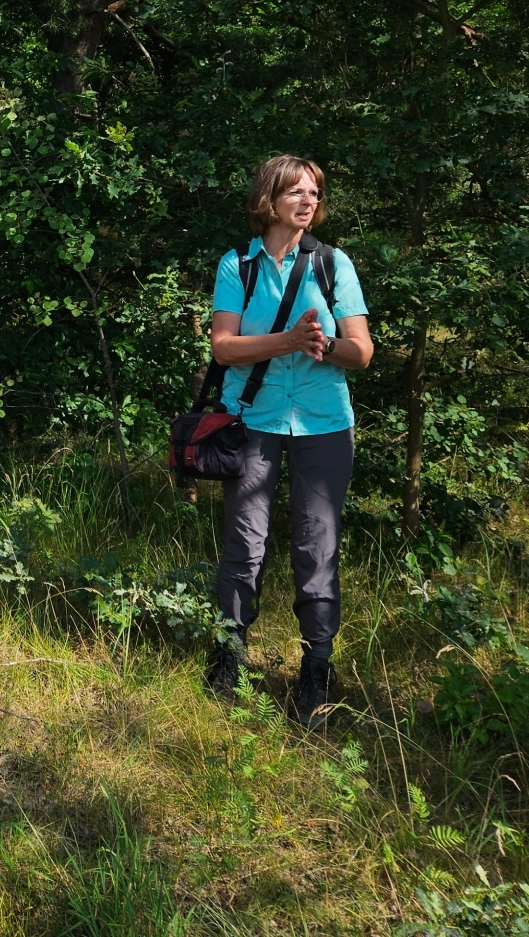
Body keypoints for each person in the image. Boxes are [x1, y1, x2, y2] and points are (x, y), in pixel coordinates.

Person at [205, 154, 374, 729]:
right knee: (245, 545)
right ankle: (228, 658)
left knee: (316, 547)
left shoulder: (334, 264)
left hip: (325, 424)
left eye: (314, 193)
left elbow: (363, 351)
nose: (308, 201)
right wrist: (287, 340)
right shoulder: (239, 265)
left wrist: (320, 343)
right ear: (269, 200)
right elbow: (224, 348)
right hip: (252, 420)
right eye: (296, 192)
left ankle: (316, 672)